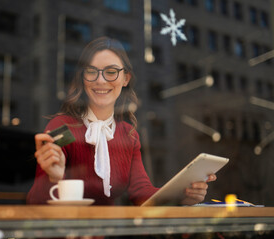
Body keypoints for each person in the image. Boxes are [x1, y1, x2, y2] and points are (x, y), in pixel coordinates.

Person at [26, 36, 216, 207]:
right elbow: (34, 203)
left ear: (125, 78)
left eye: (111, 72)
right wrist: (54, 177)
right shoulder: (62, 127)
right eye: (91, 71)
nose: (100, 80)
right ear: (83, 78)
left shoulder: (128, 134)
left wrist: (183, 194)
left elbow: (142, 193)